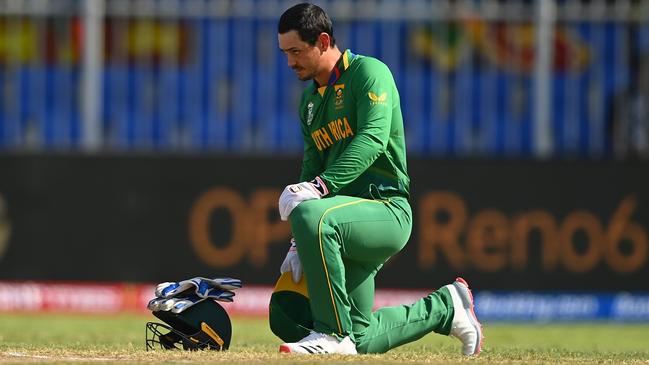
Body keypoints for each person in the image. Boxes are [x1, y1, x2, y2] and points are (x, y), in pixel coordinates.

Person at [272, 3, 483, 356]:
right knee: (359, 338)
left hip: (385, 209)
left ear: (323, 41)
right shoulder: (309, 102)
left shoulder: (369, 73)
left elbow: (372, 138)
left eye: (296, 51)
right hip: (339, 220)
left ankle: (329, 334)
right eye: (285, 53)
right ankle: (448, 307)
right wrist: (299, 240)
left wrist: (318, 193)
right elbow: (311, 166)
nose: (290, 62)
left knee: (311, 215)